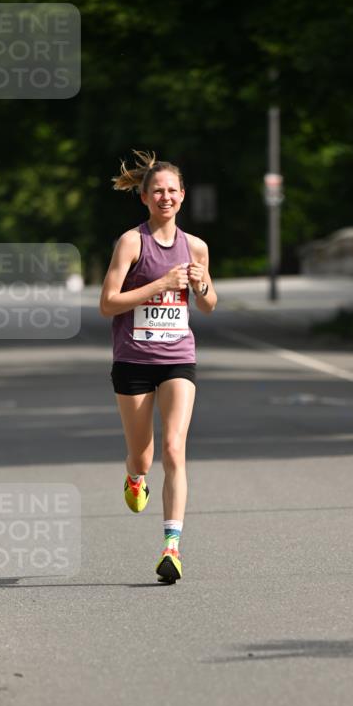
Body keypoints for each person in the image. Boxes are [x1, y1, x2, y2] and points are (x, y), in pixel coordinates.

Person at [99, 150, 217, 583]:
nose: (165, 197)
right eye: (157, 191)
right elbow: (107, 304)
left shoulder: (196, 247)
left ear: (182, 197)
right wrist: (161, 284)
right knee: (143, 455)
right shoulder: (133, 242)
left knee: (173, 449)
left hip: (177, 359)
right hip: (132, 359)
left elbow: (208, 305)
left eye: (172, 191)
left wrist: (202, 285)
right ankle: (134, 477)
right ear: (145, 198)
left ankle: (172, 547)